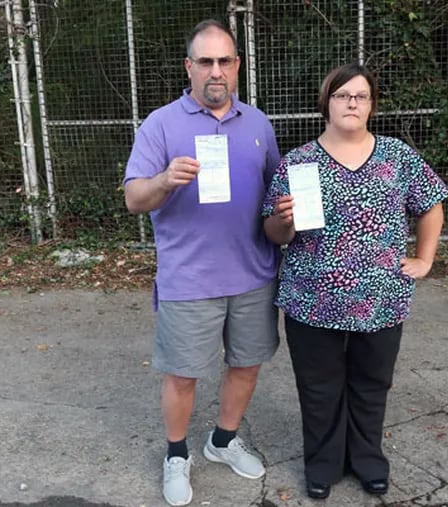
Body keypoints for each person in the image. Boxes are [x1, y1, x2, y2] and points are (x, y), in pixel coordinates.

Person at [262, 63, 448, 500]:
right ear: (326, 102)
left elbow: (431, 205)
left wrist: (425, 258)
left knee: (371, 385)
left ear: (371, 105)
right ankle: (323, 465)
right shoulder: (298, 162)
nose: (351, 103)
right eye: (342, 95)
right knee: (319, 388)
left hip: (381, 297)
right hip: (312, 298)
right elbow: (273, 233)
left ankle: (368, 461)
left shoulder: (397, 157)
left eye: (360, 96)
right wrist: (284, 222)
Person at [123, 19, 280, 507]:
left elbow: (274, 194)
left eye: (224, 61)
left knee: (246, 365)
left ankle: (223, 441)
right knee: (182, 374)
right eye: (206, 61)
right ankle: (176, 453)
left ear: (237, 66)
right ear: (189, 67)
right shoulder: (161, 124)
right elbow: (133, 198)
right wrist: (165, 179)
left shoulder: (258, 124)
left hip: (254, 274)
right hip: (189, 278)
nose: (216, 71)